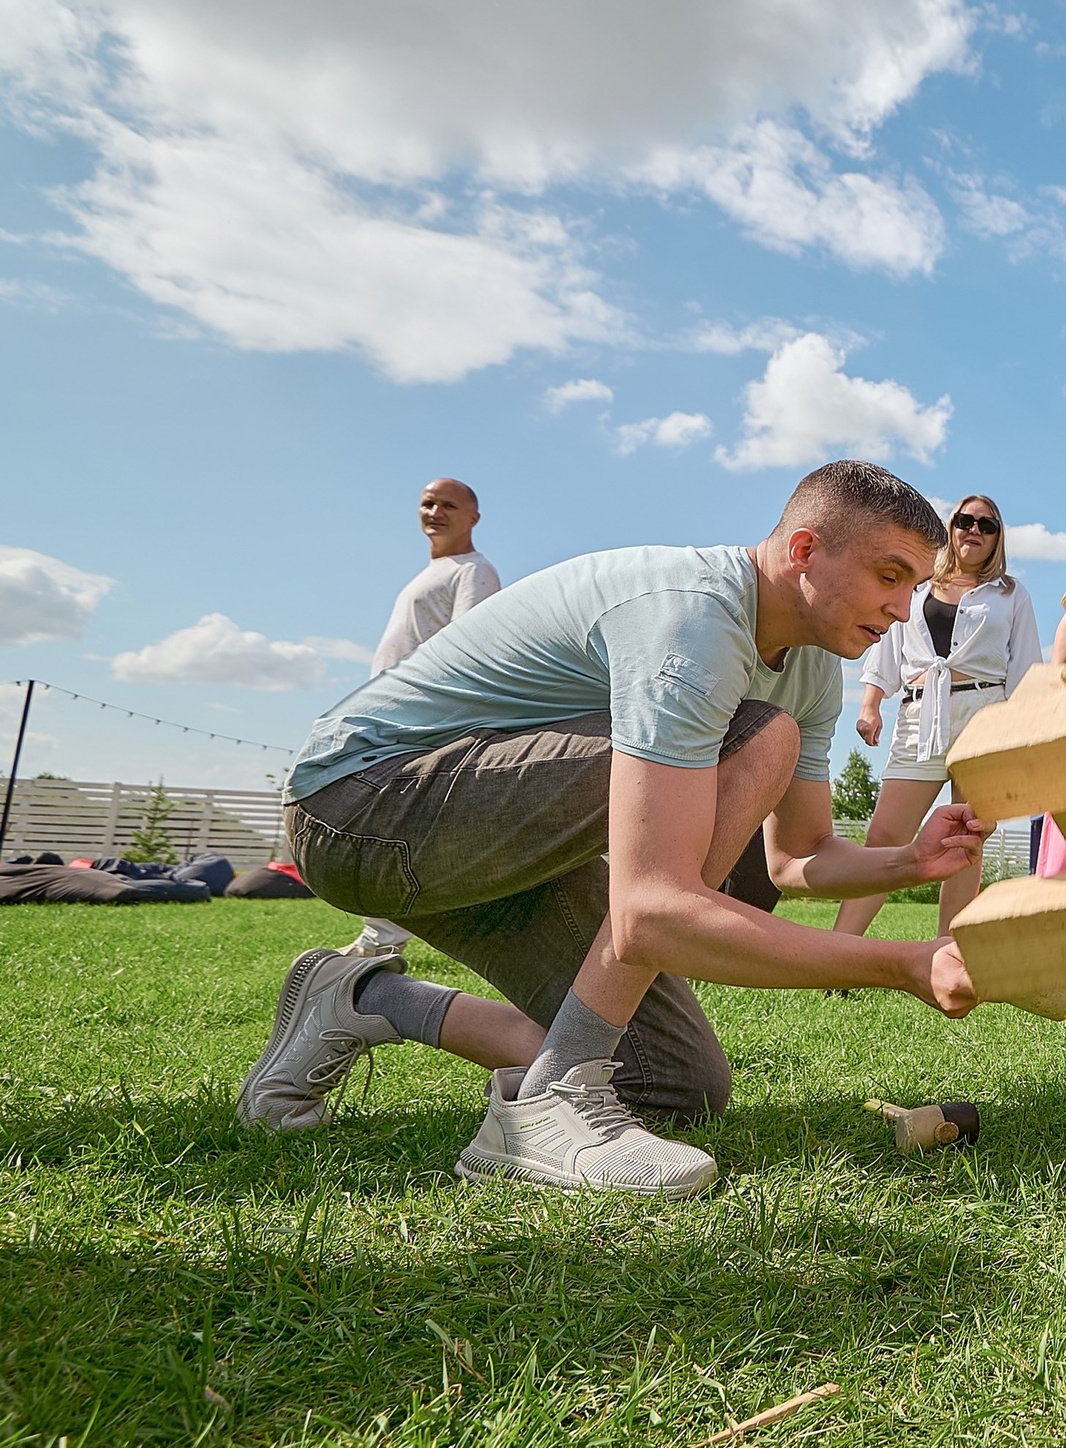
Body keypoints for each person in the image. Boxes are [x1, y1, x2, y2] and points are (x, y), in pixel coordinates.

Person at [235, 461, 988, 1199]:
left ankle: (362, 997)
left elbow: (800, 857)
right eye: (889, 576)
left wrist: (909, 861)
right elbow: (654, 907)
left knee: (671, 1083)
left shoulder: (814, 668)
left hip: (496, 843)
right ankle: (550, 1100)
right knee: (758, 737)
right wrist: (903, 963)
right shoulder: (695, 618)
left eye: (915, 588)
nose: (902, 610)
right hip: (360, 807)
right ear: (803, 551)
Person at [831, 494, 1042, 942]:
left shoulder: (1010, 594)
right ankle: (840, 950)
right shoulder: (918, 587)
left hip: (985, 717)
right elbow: (887, 648)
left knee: (965, 842)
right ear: (951, 527)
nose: (975, 531)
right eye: (966, 520)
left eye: (988, 525)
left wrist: (1023, 732)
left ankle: (946, 953)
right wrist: (870, 704)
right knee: (885, 836)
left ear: (997, 539)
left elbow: (1025, 667)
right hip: (918, 715)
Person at [344, 477, 504, 958]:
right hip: (385, 711)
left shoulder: (474, 570)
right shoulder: (430, 572)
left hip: (417, 718)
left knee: (387, 815)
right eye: (427, 503)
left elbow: (469, 646)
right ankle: (384, 933)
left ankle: (383, 936)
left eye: (449, 505)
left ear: (473, 517)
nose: (435, 512)